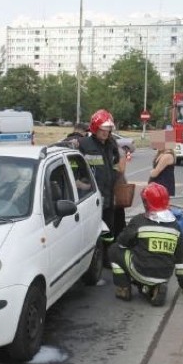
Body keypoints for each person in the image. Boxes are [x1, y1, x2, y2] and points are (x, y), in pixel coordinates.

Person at [109, 183, 183, 305]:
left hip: (140, 271)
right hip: (164, 275)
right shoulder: (176, 226)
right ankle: (154, 287)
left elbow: (122, 242)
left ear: (146, 203)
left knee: (114, 250)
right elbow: (181, 260)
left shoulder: (139, 221)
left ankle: (123, 289)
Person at [79, 110, 121, 262]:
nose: (106, 133)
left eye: (108, 129)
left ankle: (107, 258)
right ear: (95, 128)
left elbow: (115, 163)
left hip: (108, 196)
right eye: (103, 129)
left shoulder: (111, 145)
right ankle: (94, 260)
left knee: (108, 229)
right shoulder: (83, 144)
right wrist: (81, 185)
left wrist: (116, 179)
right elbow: (73, 169)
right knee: (94, 230)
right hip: (91, 196)